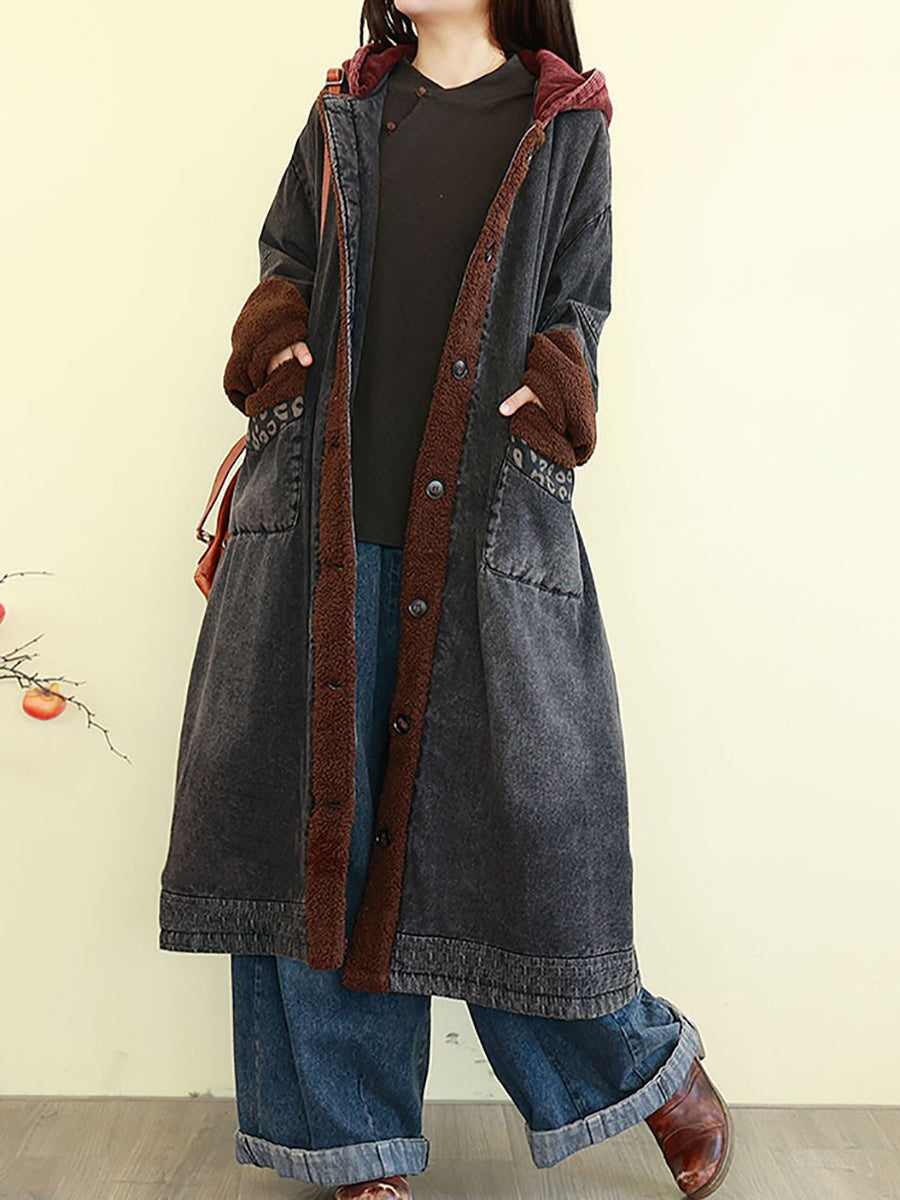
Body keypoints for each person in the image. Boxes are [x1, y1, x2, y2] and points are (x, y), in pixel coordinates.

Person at [164, 3, 734, 1198]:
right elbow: (285, 259)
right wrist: (275, 341)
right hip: (320, 522)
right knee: (319, 839)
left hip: (480, 529)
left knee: (508, 849)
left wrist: (553, 387)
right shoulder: (346, 106)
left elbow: (579, 302)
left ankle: (653, 1070)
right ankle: (356, 1151)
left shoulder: (564, 123)